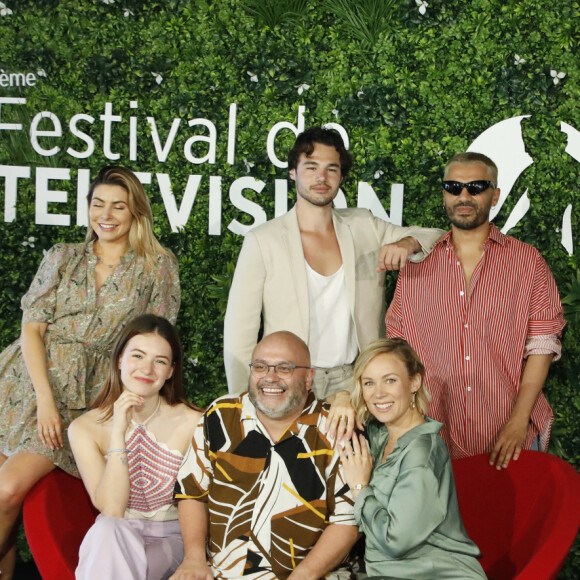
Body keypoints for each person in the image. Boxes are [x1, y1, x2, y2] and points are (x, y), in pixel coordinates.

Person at [0, 166, 180, 578]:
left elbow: (155, 339)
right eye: (98, 204)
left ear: (136, 212)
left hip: (87, 396)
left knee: (7, 489)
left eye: (119, 206)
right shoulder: (62, 256)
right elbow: (32, 328)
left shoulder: (157, 266)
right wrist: (44, 398)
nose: (107, 214)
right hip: (23, 381)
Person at [224, 127, 443, 440]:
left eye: (332, 169)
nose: (321, 177)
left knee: (350, 475)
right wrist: (243, 404)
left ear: (341, 177)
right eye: (311, 167)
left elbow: (433, 235)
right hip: (290, 379)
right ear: (293, 173)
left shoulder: (363, 225)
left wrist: (406, 243)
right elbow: (239, 333)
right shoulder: (264, 241)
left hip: (354, 380)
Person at [386, 152, 565, 468]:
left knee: (512, 518)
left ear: (495, 195)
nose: (463, 196)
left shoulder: (527, 262)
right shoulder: (415, 265)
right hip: (435, 436)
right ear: (444, 195)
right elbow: (400, 350)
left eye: (476, 187)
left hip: (508, 432)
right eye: (453, 187)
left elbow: (542, 346)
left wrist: (518, 421)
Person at [171, 331, 359, 580]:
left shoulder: (336, 428)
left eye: (284, 368)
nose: (270, 378)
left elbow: (348, 519)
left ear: (308, 377)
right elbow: (192, 492)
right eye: (260, 367)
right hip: (219, 573)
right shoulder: (221, 416)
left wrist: (303, 576)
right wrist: (194, 559)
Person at [338, 338, 486, 579]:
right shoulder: (381, 433)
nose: (378, 393)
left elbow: (395, 542)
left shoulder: (420, 454)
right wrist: (341, 398)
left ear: (415, 381)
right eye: (368, 383)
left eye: (390, 380)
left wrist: (360, 488)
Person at [69, 314, 202, 580]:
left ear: (171, 371)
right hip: (117, 535)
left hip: (173, 535)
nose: (147, 369)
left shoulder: (193, 422)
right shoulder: (84, 428)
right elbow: (113, 509)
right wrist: (118, 432)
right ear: (120, 359)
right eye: (138, 356)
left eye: (160, 361)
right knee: (107, 528)